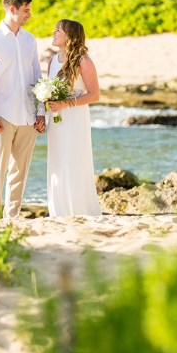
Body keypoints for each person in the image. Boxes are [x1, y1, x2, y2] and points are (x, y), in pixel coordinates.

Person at [0, 0, 46, 218]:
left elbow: (37, 77)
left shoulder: (29, 40)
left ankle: (13, 217)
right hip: (2, 115)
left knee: (20, 171)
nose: (30, 14)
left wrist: (40, 112)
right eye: (26, 10)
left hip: (28, 114)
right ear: (12, 9)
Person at [45, 19, 102, 217]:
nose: (53, 32)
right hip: (55, 118)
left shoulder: (83, 61)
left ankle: (78, 209)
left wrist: (65, 104)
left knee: (74, 159)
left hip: (75, 117)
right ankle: (58, 210)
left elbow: (94, 95)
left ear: (69, 36)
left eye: (58, 30)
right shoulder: (52, 60)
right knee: (57, 160)